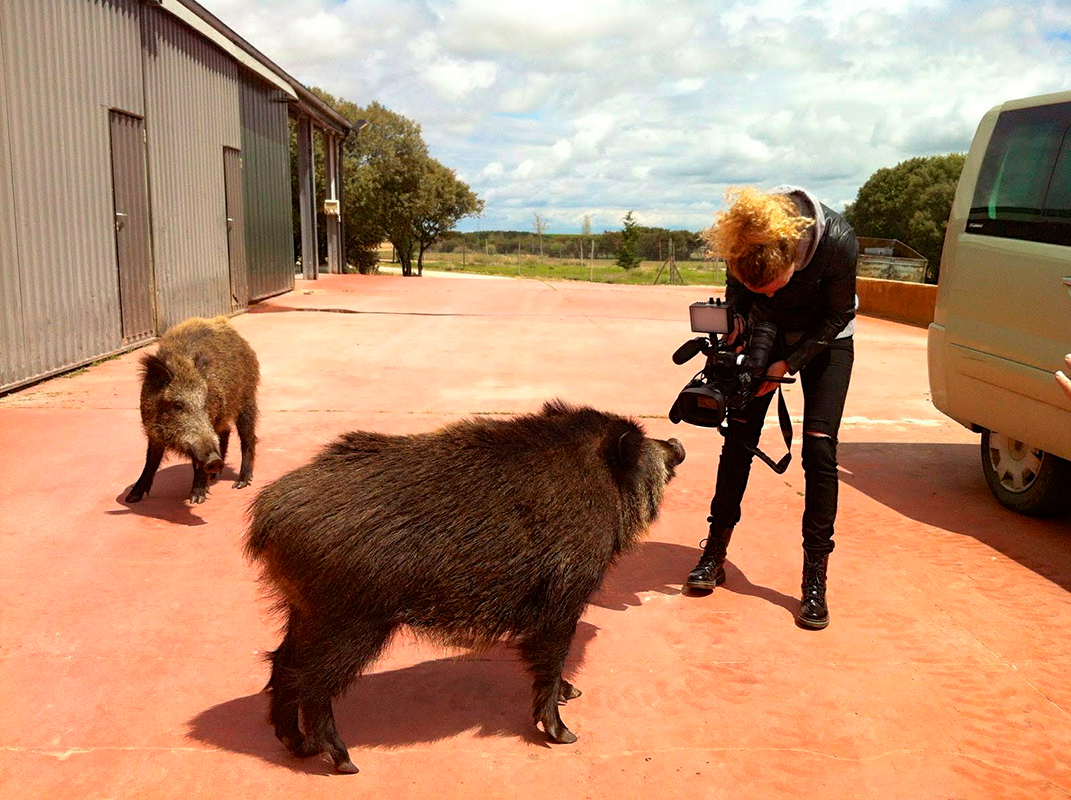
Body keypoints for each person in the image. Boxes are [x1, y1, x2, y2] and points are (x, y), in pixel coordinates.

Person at [684, 186, 858, 630]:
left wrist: (787, 366)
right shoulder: (743, 241)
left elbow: (837, 316)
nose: (769, 292)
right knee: (738, 438)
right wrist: (739, 328)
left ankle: (814, 580)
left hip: (827, 339)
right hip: (768, 334)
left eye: (773, 286)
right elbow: (737, 294)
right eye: (755, 286)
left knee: (820, 451)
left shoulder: (838, 241)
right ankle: (714, 554)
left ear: (792, 260)